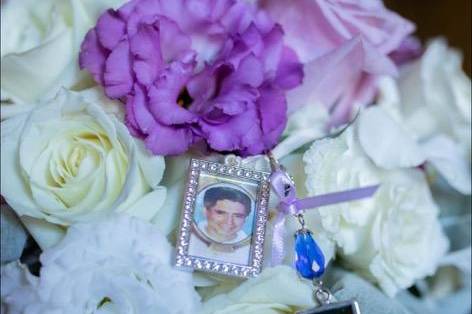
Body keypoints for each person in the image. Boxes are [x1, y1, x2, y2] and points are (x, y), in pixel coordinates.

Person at [189, 185, 253, 265]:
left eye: (238, 216)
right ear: (205, 212)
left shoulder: (249, 251)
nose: (229, 222)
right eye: (221, 213)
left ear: (245, 219)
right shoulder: (189, 237)